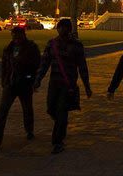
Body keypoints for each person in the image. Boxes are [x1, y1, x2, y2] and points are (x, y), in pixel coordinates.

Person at [34, 19, 92, 154]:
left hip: (68, 84)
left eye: (64, 28)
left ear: (69, 29)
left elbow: (82, 67)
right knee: (51, 108)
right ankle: (61, 124)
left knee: (61, 111)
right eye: (60, 28)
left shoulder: (77, 46)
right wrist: (38, 79)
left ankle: (57, 141)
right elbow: (44, 64)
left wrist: (87, 85)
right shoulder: (52, 44)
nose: (62, 30)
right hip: (54, 82)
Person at [0, 26, 41, 149]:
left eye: (17, 35)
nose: (15, 38)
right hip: (11, 83)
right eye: (13, 35)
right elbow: (4, 66)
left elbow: (36, 64)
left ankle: (29, 130)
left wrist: (32, 79)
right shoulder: (9, 49)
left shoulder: (31, 48)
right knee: (2, 111)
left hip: (24, 83)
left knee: (27, 108)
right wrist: (4, 81)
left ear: (23, 35)